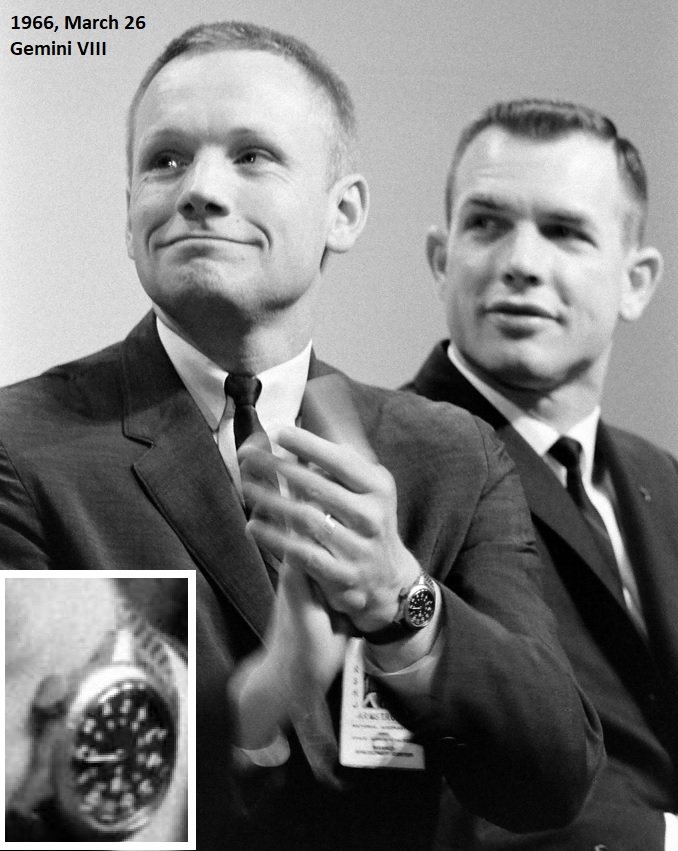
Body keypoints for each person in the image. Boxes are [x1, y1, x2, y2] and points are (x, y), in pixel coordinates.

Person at [0, 27, 602, 849]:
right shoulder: (22, 448)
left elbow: (554, 776)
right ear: (129, 216)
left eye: (252, 156)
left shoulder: (453, 455)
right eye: (166, 161)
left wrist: (404, 601)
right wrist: (265, 696)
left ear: (342, 212)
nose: (200, 190)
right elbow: (29, 794)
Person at [407, 98, 678, 849]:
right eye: (487, 224)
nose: (521, 263)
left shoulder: (664, 482)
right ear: (442, 259)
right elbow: (422, 776)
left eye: (564, 231)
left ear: (637, 281)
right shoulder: (384, 467)